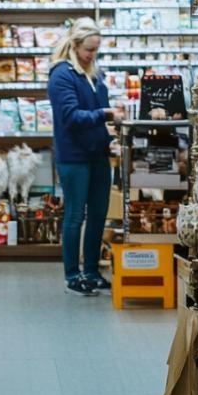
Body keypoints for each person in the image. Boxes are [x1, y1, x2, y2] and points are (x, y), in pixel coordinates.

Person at [47, 17, 122, 297]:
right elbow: (70, 117)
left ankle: (91, 271)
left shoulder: (95, 74)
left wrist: (111, 131)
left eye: (96, 50)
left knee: (99, 215)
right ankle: (72, 275)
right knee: (76, 215)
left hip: (98, 154)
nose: (93, 55)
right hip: (73, 157)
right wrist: (105, 114)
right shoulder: (62, 75)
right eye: (89, 50)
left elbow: (99, 110)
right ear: (75, 45)